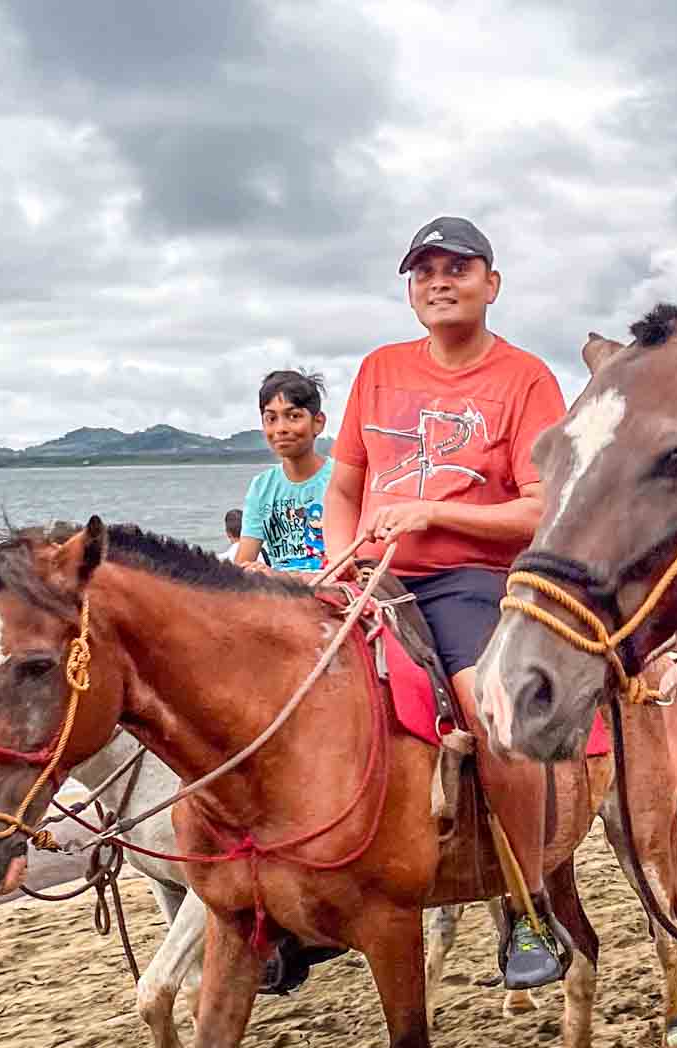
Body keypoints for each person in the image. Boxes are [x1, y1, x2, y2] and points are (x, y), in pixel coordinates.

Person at [322, 216, 572, 988]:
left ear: (491, 284)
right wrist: (336, 564)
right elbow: (343, 489)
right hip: (369, 577)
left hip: (469, 578)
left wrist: (434, 513)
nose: (439, 282)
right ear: (410, 293)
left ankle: (529, 907)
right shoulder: (378, 368)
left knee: (488, 712)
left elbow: (542, 508)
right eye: (424, 271)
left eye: (457, 268)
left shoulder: (525, 378)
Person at [238, 370, 332, 573]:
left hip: (332, 585)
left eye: (294, 416)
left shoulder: (340, 478)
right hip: (280, 590)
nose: (281, 428)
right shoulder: (262, 487)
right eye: (271, 418)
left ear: (318, 422)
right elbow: (242, 563)